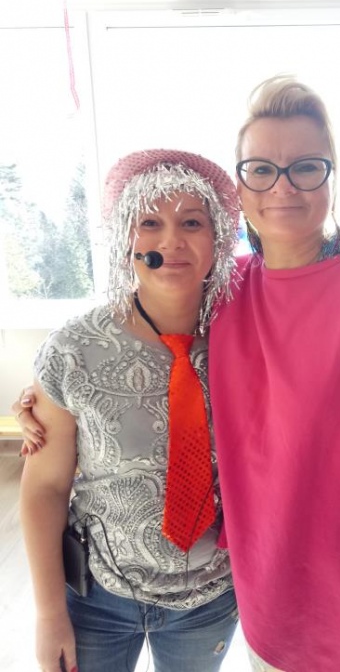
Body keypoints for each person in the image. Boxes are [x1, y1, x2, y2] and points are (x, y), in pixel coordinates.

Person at [15, 77, 340, 672]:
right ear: (241, 189)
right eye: (261, 169)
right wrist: (46, 394)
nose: (283, 186)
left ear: (333, 177)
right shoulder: (227, 296)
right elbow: (148, 337)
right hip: (264, 608)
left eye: (306, 166)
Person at [17, 149, 241, 672]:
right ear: (125, 239)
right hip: (98, 595)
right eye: (150, 223)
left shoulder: (250, 340)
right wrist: (48, 614)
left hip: (211, 597)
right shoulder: (74, 350)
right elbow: (44, 487)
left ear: (218, 239)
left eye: (192, 222)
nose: (172, 240)